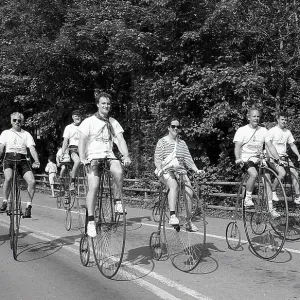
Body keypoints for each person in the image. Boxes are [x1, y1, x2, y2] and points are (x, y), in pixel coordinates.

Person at [78, 90, 131, 238]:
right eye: (103, 103)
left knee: (118, 171)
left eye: (108, 104)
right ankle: (90, 221)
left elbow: (120, 140)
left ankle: (118, 201)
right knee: (93, 186)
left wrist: (126, 155)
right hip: (93, 157)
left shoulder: (113, 122)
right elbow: (82, 141)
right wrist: (83, 158)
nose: (106, 106)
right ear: (97, 105)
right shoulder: (88, 122)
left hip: (108, 155)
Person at [154, 117, 205, 232]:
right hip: (166, 171)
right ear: (169, 128)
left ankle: (188, 221)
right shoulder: (162, 142)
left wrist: (196, 170)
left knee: (189, 191)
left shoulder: (182, 143)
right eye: (173, 126)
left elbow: (188, 159)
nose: (176, 128)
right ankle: (172, 216)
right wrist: (159, 169)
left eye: (178, 127)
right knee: (174, 186)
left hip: (180, 171)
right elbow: (157, 159)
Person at [233, 107, 285, 218]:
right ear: (248, 117)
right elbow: (237, 146)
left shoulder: (263, 130)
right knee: (254, 174)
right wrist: (238, 158)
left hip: (259, 159)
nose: (256, 118)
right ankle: (248, 198)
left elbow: (270, 146)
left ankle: (271, 209)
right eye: (254, 116)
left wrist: (278, 159)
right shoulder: (242, 130)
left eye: (258, 116)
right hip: (246, 159)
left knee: (267, 182)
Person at [0, 112, 40, 217]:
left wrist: (36, 160)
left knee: (32, 181)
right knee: (8, 178)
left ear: (22, 122)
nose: (17, 122)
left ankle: (28, 207)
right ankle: (4, 201)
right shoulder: (5, 133)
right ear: (11, 121)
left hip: (22, 159)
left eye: (19, 120)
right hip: (9, 158)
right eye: (15, 120)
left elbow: (32, 148)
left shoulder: (26, 134)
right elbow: (1, 147)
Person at [267, 111, 300, 204]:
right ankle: (273, 191)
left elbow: (292, 144)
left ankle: (298, 196)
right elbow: (267, 145)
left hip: (284, 156)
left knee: (295, 173)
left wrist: (298, 155)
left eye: (285, 120)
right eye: (282, 119)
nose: (284, 121)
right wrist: (271, 157)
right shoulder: (272, 131)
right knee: (282, 173)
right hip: (273, 157)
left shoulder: (287, 132)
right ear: (278, 120)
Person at [60, 110, 82, 194]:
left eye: (79, 116)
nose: (77, 117)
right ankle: (72, 182)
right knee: (77, 161)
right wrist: (62, 153)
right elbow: (65, 141)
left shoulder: (84, 126)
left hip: (83, 148)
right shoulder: (68, 127)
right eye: (76, 116)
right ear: (73, 117)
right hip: (73, 148)